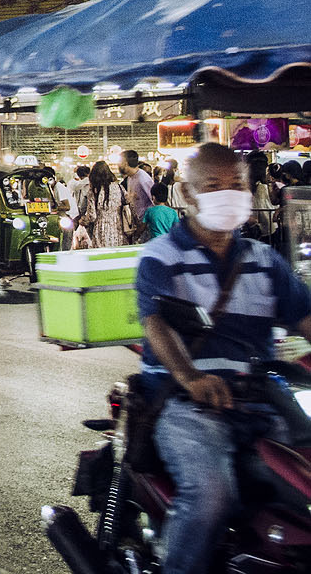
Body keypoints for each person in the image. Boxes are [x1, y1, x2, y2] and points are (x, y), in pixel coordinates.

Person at [136, 142, 311, 574]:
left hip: (261, 401)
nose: (227, 193)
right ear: (187, 194)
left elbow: (306, 318)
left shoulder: (265, 260)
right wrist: (190, 376)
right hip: (187, 404)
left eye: (236, 184)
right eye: (213, 186)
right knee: (212, 493)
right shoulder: (160, 257)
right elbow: (156, 324)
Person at [77, 161, 129, 249]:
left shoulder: (94, 191)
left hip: (101, 230)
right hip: (119, 228)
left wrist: (83, 220)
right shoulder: (119, 187)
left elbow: (92, 216)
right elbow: (128, 202)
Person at [119, 151, 153, 243]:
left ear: (125, 163)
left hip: (145, 226)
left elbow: (154, 201)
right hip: (135, 224)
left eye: (120, 162)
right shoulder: (130, 177)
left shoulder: (143, 179)